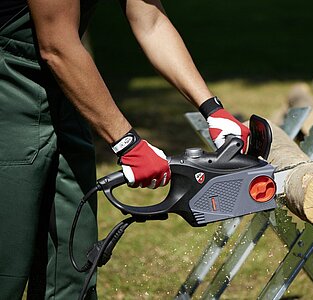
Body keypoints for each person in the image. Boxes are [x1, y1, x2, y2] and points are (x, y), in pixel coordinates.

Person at [0, 0, 250, 299]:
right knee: (7, 259)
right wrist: (127, 142)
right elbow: (56, 45)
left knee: (71, 266)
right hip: (11, 91)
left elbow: (151, 21)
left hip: (67, 93)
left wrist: (212, 108)